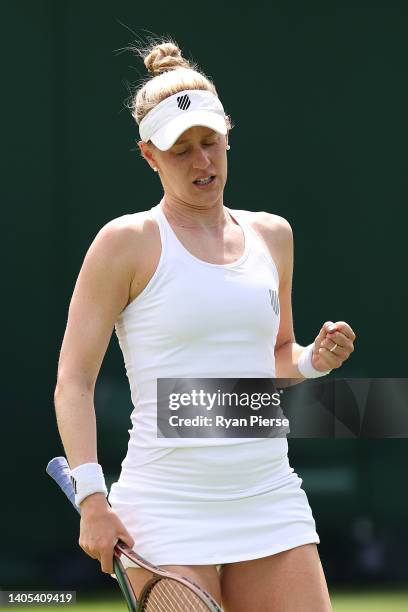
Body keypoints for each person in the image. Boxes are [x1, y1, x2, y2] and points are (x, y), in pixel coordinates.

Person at [54, 38, 356, 611]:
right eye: (181, 149)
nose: (202, 163)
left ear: (228, 135)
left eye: (211, 143)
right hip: (166, 510)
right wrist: (93, 497)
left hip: (269, 496)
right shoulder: (124, 243)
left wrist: (313, 361)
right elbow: (74, 380)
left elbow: (274, 359)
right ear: (149, 155)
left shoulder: (274, 236)